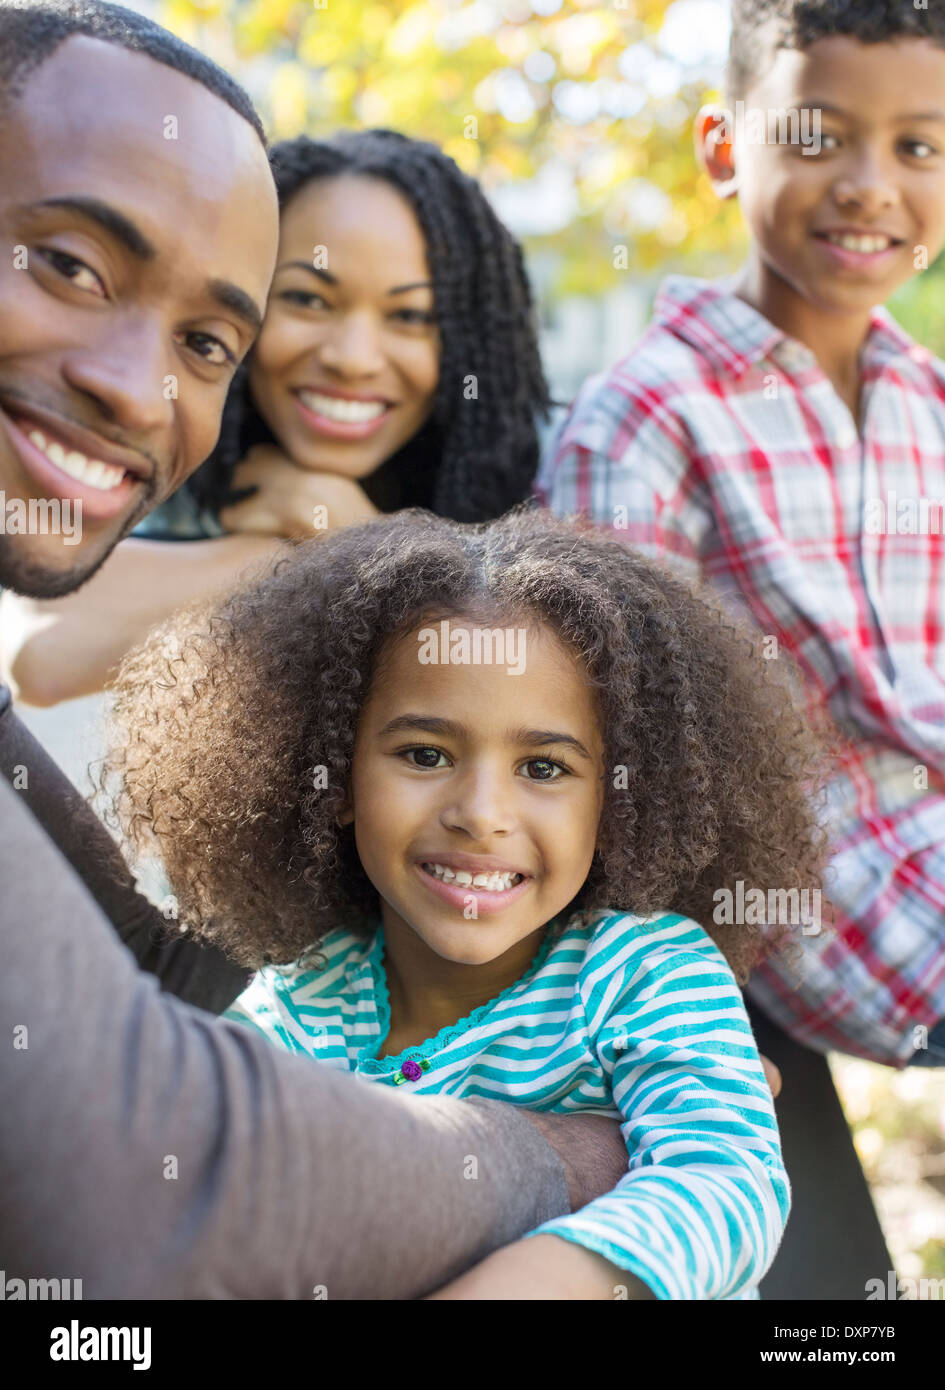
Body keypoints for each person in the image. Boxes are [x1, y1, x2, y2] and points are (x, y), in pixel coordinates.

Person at [0, 0, 630, 1301]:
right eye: (66, 264)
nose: (136, 381)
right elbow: (44, 660)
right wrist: (295, 561)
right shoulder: (155, 507)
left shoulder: (543, 584)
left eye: (201, 340)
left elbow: (167, 974)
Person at [97, 506, 827, 1298]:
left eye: (544, 768)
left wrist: (533, 1279)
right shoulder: (298, 1004)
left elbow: (725, 1183)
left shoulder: (644, 973)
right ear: (333, 781)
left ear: (617, 804)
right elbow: (221, 1196)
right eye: (424, 754)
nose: (480, 812)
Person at [536, 0, 945, 1076]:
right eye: (818, 135)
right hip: (822, 885)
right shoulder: (649, 418)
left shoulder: (927, 400)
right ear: (725, 150)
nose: (870, 183)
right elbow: (627, 747)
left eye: (918, 147)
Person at [3, 129, 551, 704]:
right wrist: (320, 543)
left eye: (411, 315)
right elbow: (41, 651)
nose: (353, 359)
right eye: (307, 299)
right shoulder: (159, 448)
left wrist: (359, 544)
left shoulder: (537, 500)